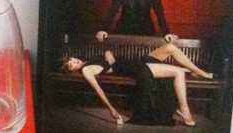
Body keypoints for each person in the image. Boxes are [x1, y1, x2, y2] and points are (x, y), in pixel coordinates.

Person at [61, 43, 213, 126]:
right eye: (72, 65)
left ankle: (199, 71)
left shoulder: (87, 61)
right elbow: (98, 89)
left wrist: (107, 53)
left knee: (170, 47)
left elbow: (106, 55)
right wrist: (111, 108)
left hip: (136, 62)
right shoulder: (86, 70)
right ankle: (185, 110)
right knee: (179, 72)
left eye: (72, 60)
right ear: (72, 71)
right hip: (134, 69)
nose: (75, 62)